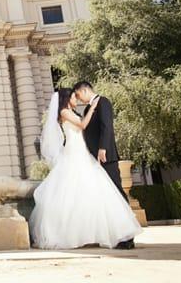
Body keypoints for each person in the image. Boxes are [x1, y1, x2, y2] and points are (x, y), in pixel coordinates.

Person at [29, 88, 142, 250]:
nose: (76, 99)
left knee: (94, 192)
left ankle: (102, 233)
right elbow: (82, 125)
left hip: (82, 151)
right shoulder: (64, 112)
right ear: (67, 98)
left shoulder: (70, 111)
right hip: (74, 153)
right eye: (74, 97)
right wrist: (93, 108)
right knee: (77, 192)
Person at [73, 81, 135, 249]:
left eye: (78, 95)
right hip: (94, 159)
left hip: (106, 156)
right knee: (108, 197)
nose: (78, 99)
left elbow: (107, 126)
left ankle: (128, 237)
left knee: (117, 193)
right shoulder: (87, 109)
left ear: (84, 90)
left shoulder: (103, 102)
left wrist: (102, 148)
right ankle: (116, 234)